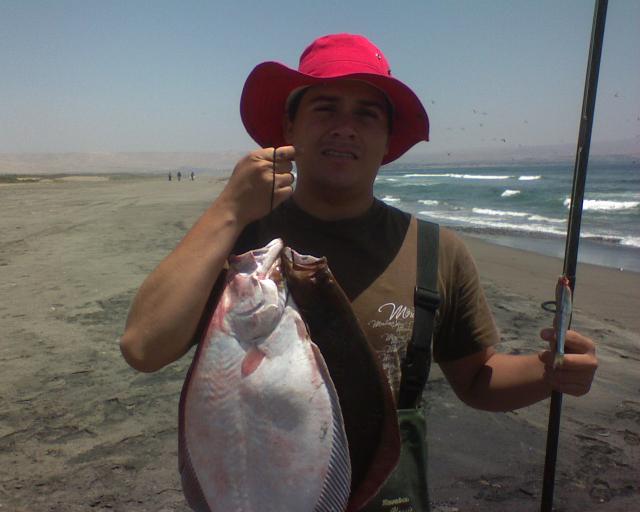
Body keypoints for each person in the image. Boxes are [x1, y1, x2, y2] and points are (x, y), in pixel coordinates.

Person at [120, 33, 597, 508]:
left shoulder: (436, 250)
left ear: (388, 138)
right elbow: (144, 346)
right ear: (290, 126)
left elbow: (477, 379)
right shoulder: (235, 241)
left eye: (366, 114)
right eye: (325, 107)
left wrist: (548, 372)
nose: (344, 127)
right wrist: (227, 209)